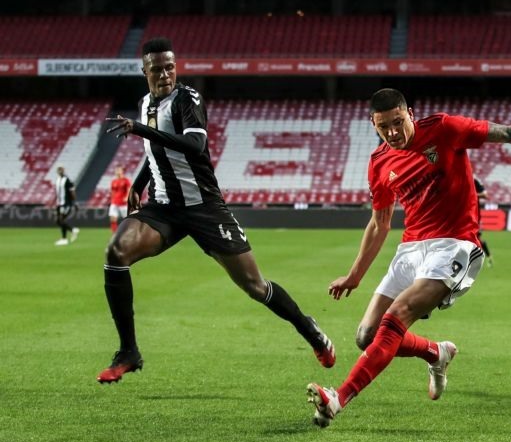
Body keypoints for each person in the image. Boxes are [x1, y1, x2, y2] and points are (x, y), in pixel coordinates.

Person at [306, 88, 511, 427]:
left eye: (398, 122)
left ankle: (338, 398)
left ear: (411, 113)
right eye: (383, 126)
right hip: (411, 249)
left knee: (397, 316)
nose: (393, 132)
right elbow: (380, 223)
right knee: (367, 335)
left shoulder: (445, 129)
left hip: (454, 245)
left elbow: (510, 133)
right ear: (373, 125)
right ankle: (436, 352)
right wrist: (355, 274)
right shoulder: (379, 163)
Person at [98, 37, 335, 384]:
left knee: (255, 286)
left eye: (170, 66)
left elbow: (195, 145)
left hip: (204, 208)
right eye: (157, 68)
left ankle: (309, 329)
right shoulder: (146, 102)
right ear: (144, 70)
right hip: (164, 207)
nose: (165, 74)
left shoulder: (187, 99)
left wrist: (141, 129)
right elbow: (157, 150)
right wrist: (138, 182)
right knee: (116, 253)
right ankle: (129, 351)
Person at [53, 166, 80, 246]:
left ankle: (72, 231)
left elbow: (72, 192)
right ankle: (65, 238)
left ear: (63, 170)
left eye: (61, 169)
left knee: (60, 220)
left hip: (66, 203)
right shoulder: (57, 180)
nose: (60, 171)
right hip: (59, 203)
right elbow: (58, 192)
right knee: (58, 221)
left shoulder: (67, 180)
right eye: (58, 169)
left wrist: (74, 203)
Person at [473, 176, 493, 267]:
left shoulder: (474, 180)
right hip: (459, 214)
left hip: (474, 215)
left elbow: (485, 195)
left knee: (477, 238)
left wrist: (471, 194)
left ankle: (488, 257)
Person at [109, 166, 131, 233]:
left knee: (126, 219)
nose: (117, 171)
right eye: (116, 170)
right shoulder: (113, 181)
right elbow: (112, 191)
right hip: (114, 202)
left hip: (123, 203)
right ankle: (114, 234)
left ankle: (128, 232)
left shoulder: (126, 180)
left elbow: (129, 189)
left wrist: (127, 197)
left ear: (122, 171)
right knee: (112, 218)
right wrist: (112, 199)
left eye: (119, 170)